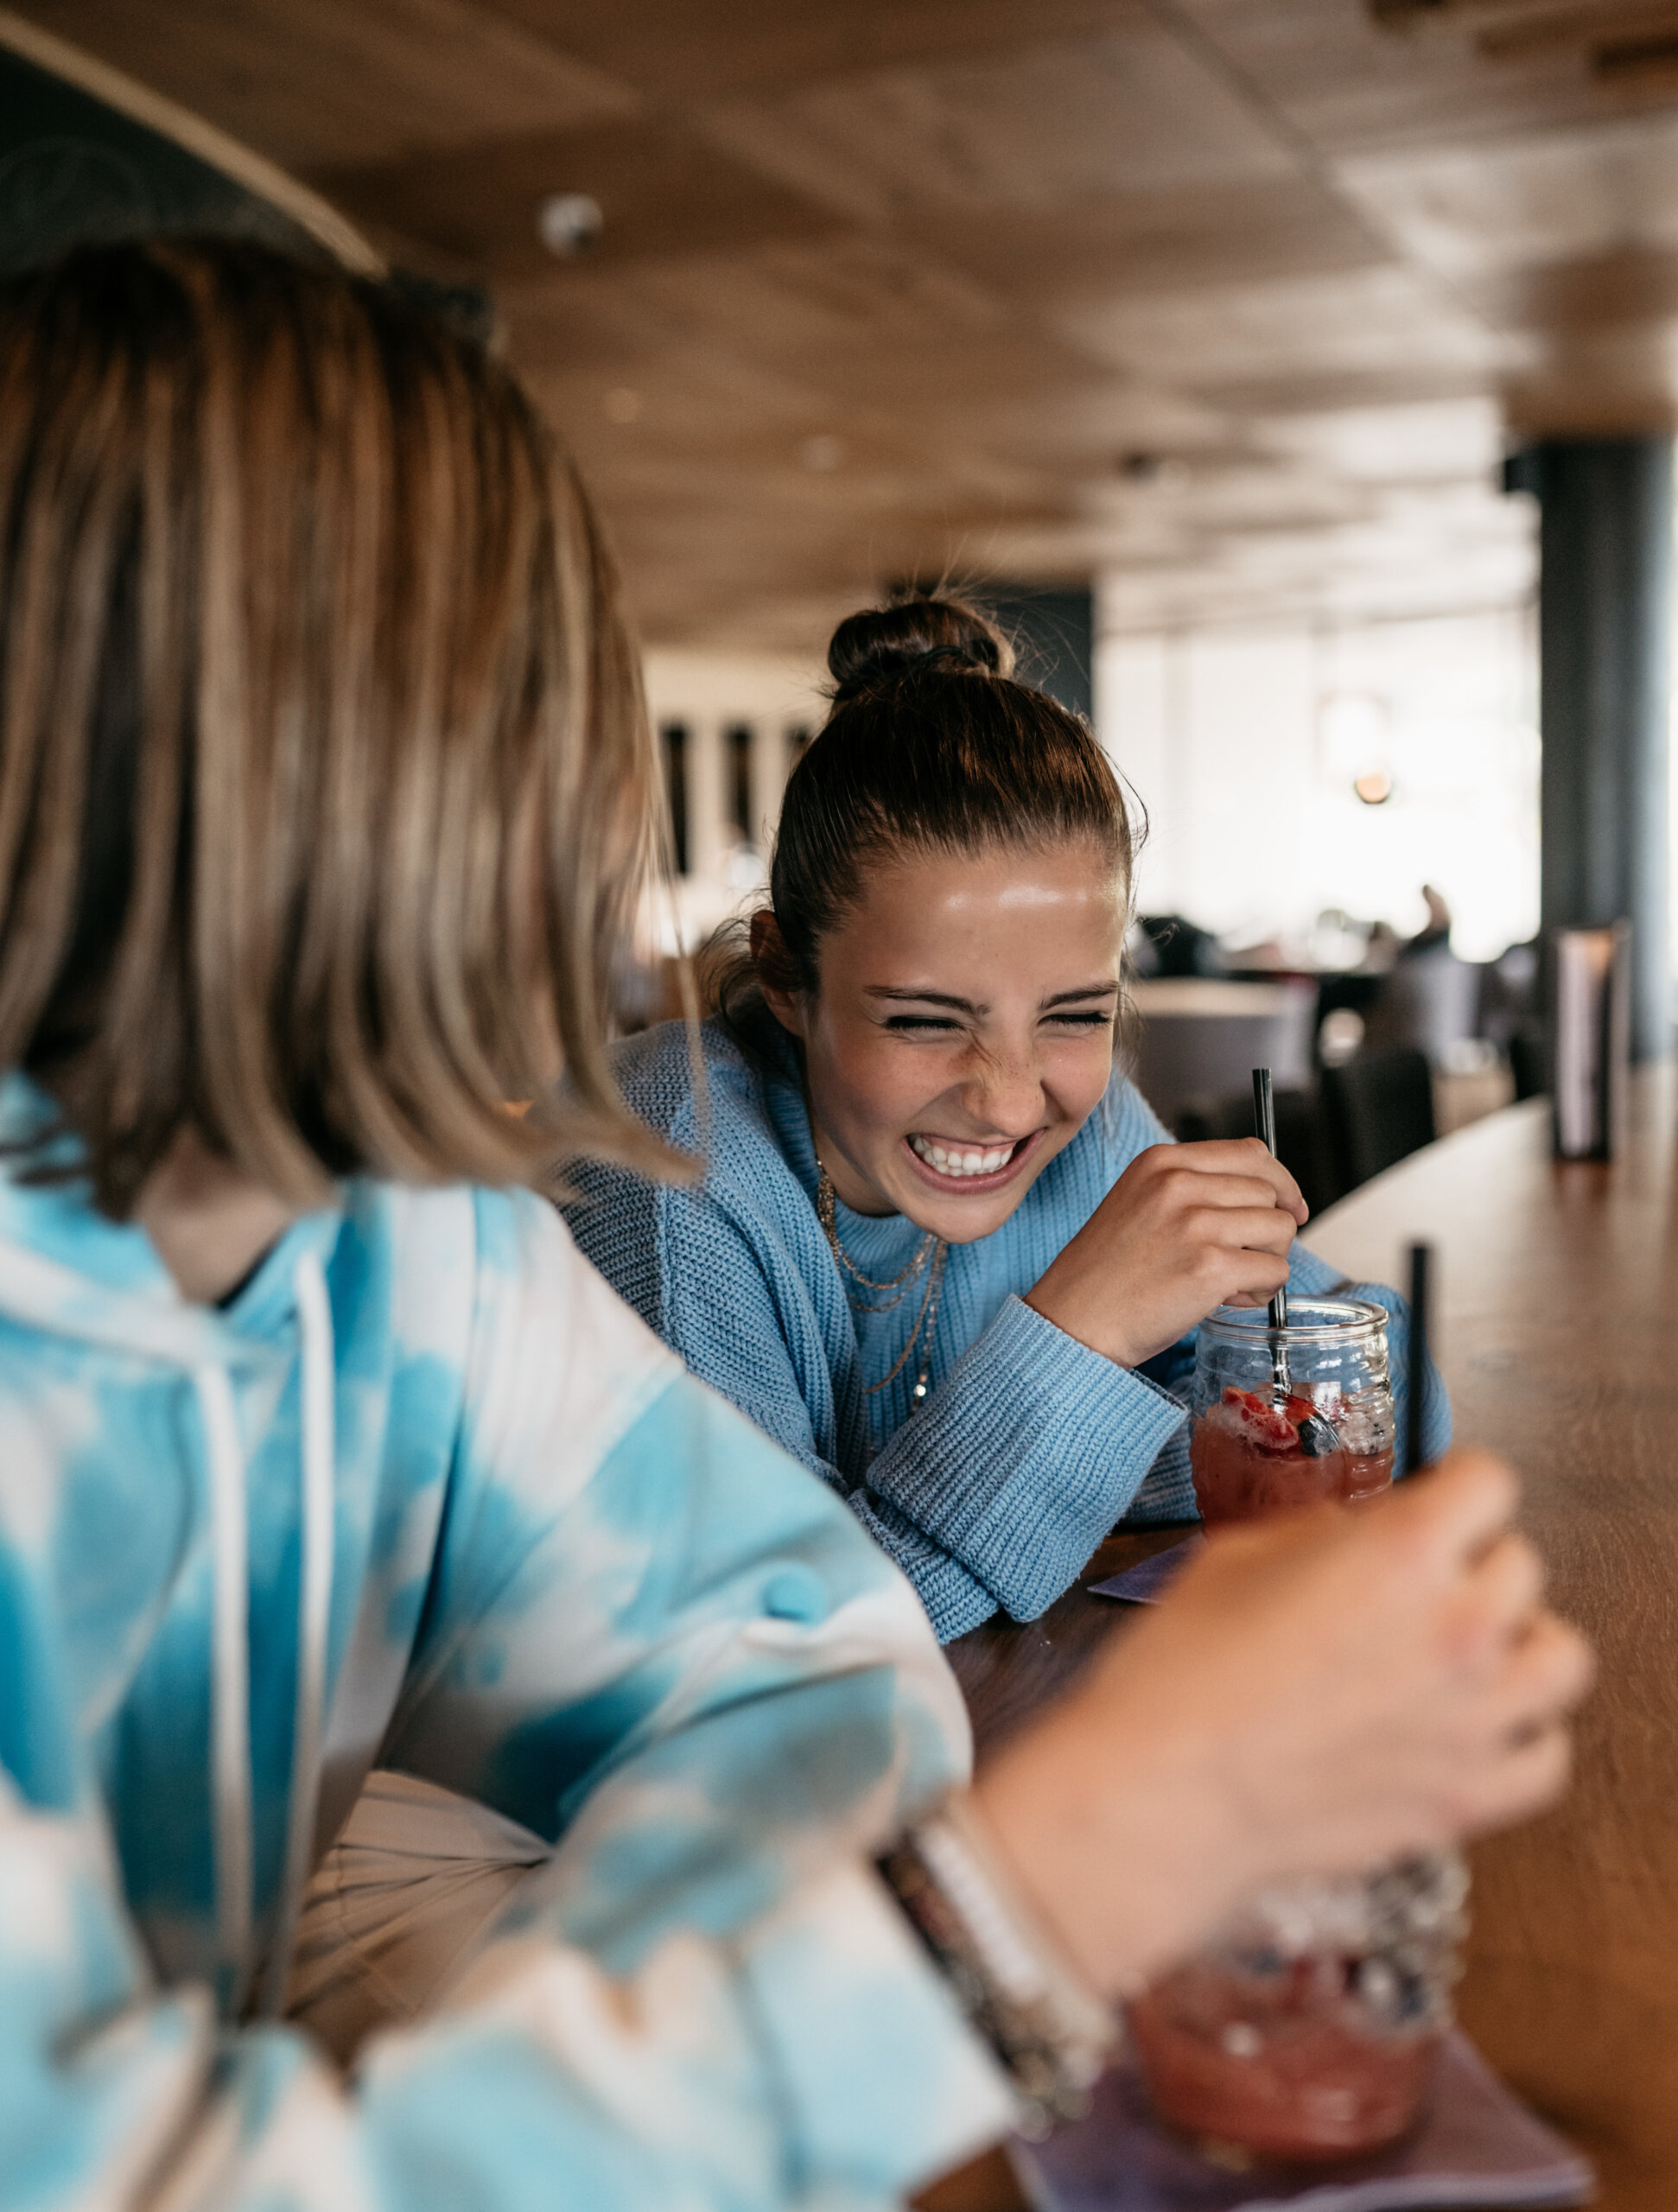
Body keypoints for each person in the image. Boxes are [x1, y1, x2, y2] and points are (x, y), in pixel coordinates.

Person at [0, 238, 1589, 2212]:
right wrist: (1022, 1901)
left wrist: (699, 2065)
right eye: (504, 717)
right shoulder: (619, 1169)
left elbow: (797, 1655)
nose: (575, 835)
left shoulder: (400, 1244)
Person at [563, 597, 1452, 1640]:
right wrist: (1083, 1343)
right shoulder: (665, 1160)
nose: (1010, 1100)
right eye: (924, 1020)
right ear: (785, 976)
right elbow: (769, 1642)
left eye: (1073, 1016)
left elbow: (1389, 1383)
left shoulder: (1094, 1131)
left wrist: (1038, 1461)